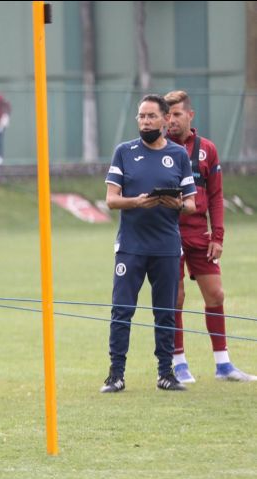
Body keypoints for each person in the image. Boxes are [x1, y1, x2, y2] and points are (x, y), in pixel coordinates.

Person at [101, 94, 197, 393]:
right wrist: (136, 202)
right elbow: (111, 200)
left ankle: (166, 374)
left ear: (166, 119)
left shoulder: (179, 155)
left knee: (165, 311)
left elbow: (192, 204)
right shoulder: (124, 152)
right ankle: (116, 375)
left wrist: (176, 202)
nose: (145, 121)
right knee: (121, 310)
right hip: (131, 246)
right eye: (141, 116)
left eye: (151, 116)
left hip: (167, 247)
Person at [163, 90, 256, 383]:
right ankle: (179, 362)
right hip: (168, 233)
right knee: (175, 297)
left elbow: (215, 195)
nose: (170, 121)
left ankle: (223, 364)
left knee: (216, 294)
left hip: (199, 233)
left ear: (190, 115)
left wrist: (218, 236)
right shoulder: (159, 147)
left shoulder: (207, 149)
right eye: (167, 115)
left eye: (176, 114)